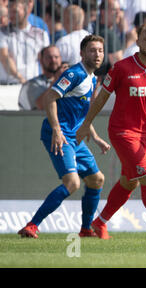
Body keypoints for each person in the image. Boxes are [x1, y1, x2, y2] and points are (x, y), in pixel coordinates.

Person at [76, 23, 146, 240]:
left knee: (130, 181)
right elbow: (101, 99)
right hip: (122, 131)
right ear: (138, 42)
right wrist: (87, 123)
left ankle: (100, 222)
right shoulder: (121, 68)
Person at [18, 35, 110, 238]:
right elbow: (50, 97)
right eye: (92, 50)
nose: (97, 54)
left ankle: (86, 229)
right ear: (82, 53)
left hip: (74, 136)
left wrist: (94, 137)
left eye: (100, 51)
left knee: (96, 179)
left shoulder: (92, 78)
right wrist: (58, 130)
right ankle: (32, 225)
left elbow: (82, 113)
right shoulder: (74, 73)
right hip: (58, 133)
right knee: (73, 183)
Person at [18, 45, 63, 110]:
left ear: (61, 59)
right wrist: (57, 81)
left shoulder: (66, 82)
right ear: (41, 60)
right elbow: (41, 106)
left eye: (56, 57)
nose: (53, 60)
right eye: (49, 57)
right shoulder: (32, 85)